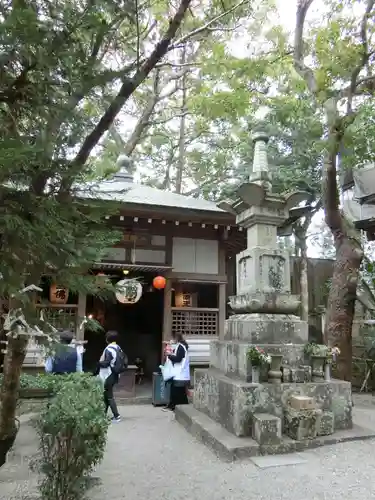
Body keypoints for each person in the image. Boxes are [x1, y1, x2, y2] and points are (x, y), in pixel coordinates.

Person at [98, 330, 125, 423]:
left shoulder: (109, 349)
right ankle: (102, 415)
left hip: (108, 375)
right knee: (106, 395)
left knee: (109, 396)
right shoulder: (118, 347)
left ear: (107, 339)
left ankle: (117, 416)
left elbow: (106, 363)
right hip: (115, 374)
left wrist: (98, 364)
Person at [163, 332, 190, 412]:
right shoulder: (180, 346)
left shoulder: (181, 347)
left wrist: (169, 355)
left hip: (180, 373)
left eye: (173, 338)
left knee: (177, 391)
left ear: (176, 338)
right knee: (179, 391)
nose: (171, 340)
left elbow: (178, 359)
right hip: (179, 373)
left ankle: (175, 406)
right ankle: (174, 406)